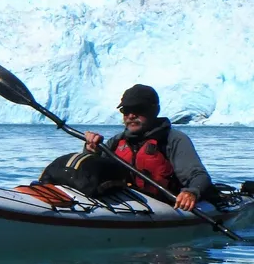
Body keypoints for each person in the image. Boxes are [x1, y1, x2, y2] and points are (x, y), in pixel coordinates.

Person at [83, 84, 212, 211]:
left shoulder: (173, 140)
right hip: (124, 205)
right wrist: (91, 151)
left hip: (165, 208)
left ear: (155, 110)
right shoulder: (115, 142)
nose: (131, 116)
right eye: (126, 111)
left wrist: (192, 192)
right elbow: (90, 175)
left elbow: (198, 175)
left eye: (138, 109)